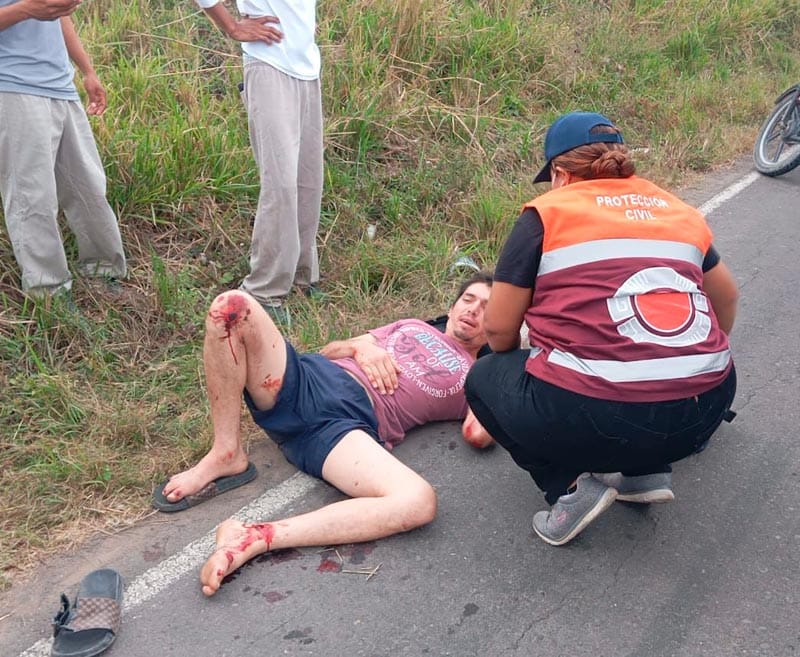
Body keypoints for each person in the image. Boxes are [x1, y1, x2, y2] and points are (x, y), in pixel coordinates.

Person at [464, 111, 738, 547]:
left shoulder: (548, 213)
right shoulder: (676, 209)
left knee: (483, 374)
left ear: (559, 173)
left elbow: (498, 333)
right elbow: (727, 298)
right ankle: (643, 472)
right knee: (638, 382)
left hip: (599, 416)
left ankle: (567, 491)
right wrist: (684, 365)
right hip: (705, 409)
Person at [152, 272, 493, 596]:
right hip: (309, 380)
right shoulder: (412, 326)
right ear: (452, 306)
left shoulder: (479, 375)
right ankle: (227, 452)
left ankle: (255, 537)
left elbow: (478, 434)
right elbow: (331, 349)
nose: (473, 311)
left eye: (487, 309)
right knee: (232, 306)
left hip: (344, 427)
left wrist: (503, 366)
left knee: (419, 502)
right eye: (468, 299)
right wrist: (362, 348)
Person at [192, 0, 324, 325]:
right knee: (279, 185)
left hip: (307, 68)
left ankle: (302, 275)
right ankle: (265, 291)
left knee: (308, 181)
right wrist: (233, 27)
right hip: (268, 64)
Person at [0, 0, 126, 297]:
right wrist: (27, 10)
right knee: (31, 195)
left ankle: (102, 268)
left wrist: (86, 69)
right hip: (13, 86)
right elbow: (37, 8)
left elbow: (57, 13)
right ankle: (48, 290)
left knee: (88, 185)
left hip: (60, 84)